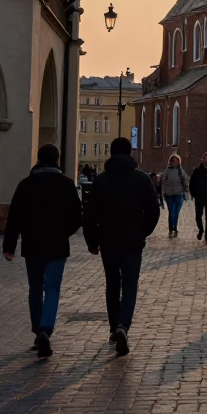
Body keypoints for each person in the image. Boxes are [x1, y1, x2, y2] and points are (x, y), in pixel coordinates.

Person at [2, 143, 82, 358]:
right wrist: (63, 231)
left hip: (32, 244)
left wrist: (9, 246)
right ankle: (47, 327)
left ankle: (38, 331)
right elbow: (77, 216)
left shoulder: (26, 184)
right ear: (57, 160)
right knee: (52, 288)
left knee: (35, 289)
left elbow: (14, 216)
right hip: (57, 245)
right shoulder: (66, 184)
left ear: (38, 159)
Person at [82, 136, 161, 355]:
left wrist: (92, 241)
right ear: (129, 153)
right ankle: (123, 325)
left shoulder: (101, 180)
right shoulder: (142, 179)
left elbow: (89, 214)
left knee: (112, 284)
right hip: (133, 241)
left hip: (108, 240)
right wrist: (143, 231)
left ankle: (113, 327)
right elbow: (154, 210)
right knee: (130, 285)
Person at [162, 154, 189, 237]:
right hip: (169, 194)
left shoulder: (181, 171)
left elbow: (185, 181)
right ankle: (171, 229)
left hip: (179, 194)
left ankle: (175, 228)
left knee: (176, 212)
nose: (174, 162)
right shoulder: (167, 170)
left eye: (176, 160)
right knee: (171, 212)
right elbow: (163, 181)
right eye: (173, 160)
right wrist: (163, 190)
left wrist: (186, 190)